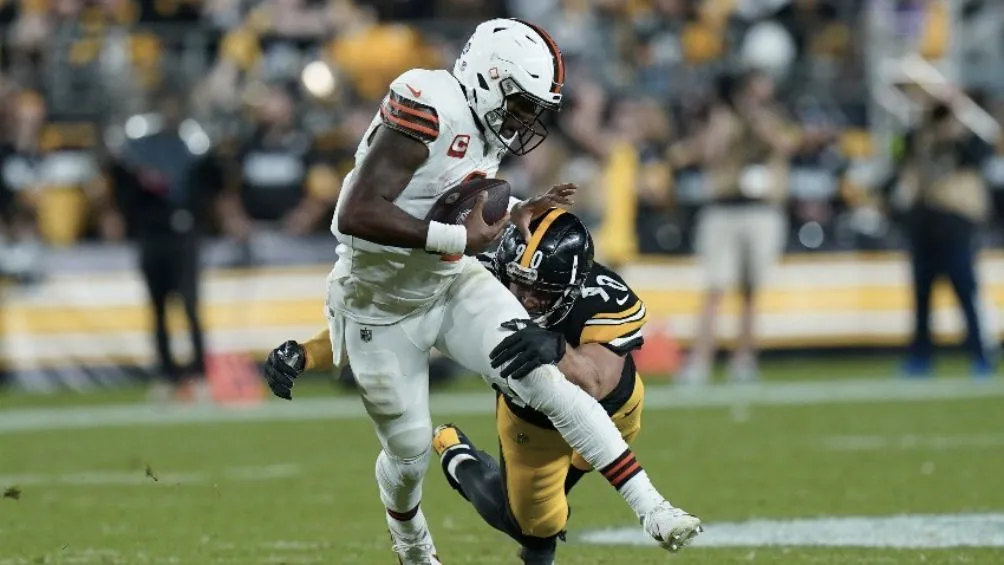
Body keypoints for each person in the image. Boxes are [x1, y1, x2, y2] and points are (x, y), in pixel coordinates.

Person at [261, 18, 701, 564]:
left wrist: (514, 211)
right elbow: (354, 215)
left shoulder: (484, 125)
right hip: (380, 305)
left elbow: (445, 197)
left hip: (448, 281)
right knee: (408, 452)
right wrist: (459, 239)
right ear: (490, 78)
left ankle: (653, 508)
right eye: (520, 103)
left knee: (542, 379)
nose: (524, 120)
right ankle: (413, 548)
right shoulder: (431, 102)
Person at [430, 210, 652, 564]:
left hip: (614, 412)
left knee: (546, 516)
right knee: (533, 528)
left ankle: (541, 536)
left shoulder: (604, 296)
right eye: (518, 284)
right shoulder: (484, 272)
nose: (524, 299)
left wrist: (559, 350)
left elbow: (594, 384)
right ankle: (458, 456)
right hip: (532, 421)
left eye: (540, 291)